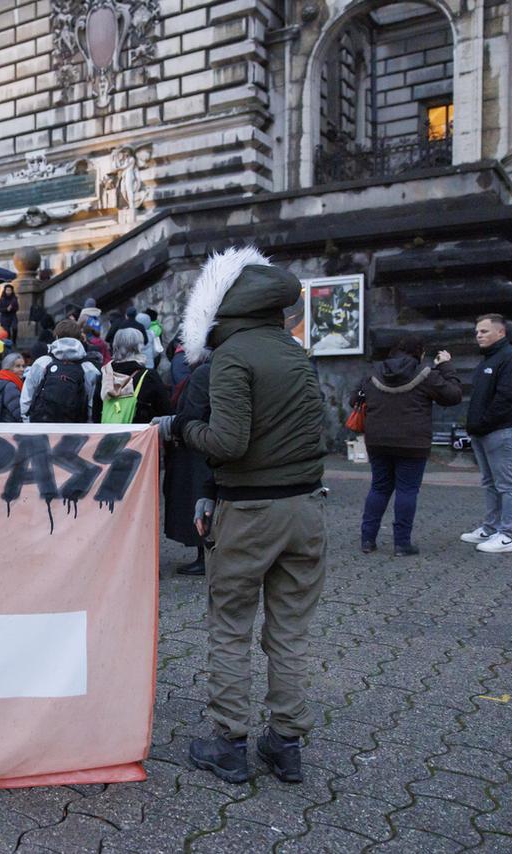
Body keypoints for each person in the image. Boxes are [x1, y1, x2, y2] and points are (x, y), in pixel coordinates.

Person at [160, 246, 328, 786]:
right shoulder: (293, 352)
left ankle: (229, 742)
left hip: (251, 512)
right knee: (290, 632)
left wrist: (180, 430)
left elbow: (227, 441)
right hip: (305, 510)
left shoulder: (233, 356)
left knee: (230, 626)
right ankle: (285, 743)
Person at [353, 335, 462, 556]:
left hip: (377, 441)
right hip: (413, 442)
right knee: (407, 490)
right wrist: (446, 367)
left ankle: (367, 540)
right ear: (420, 353)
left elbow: (354, 400)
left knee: (379, 487)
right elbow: (453, 396)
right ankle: (402, 544)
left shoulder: (372, 372)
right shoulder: (426, 374)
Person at [460, 313, 512, 554]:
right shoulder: (488, 359)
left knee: (507, 484)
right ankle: (491, 528)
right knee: (489, 482)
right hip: (482, 432)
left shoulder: (510, 358)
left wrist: (484, 423)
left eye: (485, 331)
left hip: (500, 432)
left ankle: (508, 535)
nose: (479, 335)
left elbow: (507, 399)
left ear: (501, 333)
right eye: (477, 331)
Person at [163, 348, 213, 576]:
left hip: (197, 448)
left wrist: (174, 426)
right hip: (202, 446)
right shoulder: (209, 372)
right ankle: (205, 555)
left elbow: (193, 412)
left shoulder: (201, 375)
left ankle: (205, 557)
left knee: (198, 499)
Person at [21, 319, 101, 423]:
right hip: (76, 430)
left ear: (56, 337)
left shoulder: (42, 363)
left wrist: (28, 423)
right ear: (79, 338)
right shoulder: (89, 369)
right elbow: (92, 406)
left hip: (42, 428)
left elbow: (27, 397)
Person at [101, 328, 171, 424]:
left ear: (115, 345)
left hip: (107, 435)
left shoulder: (104, 375)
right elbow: (165, 411)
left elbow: (96, 413)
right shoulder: (149, 376)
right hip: (139, 436)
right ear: (139, 347)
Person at [0, 351, 25, 422]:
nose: (22, 369)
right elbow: (17, 411)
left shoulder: (0, 380)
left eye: (23, 366)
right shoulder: (10, 386)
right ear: (8, 368)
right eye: (18, 366)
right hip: (11, 425)